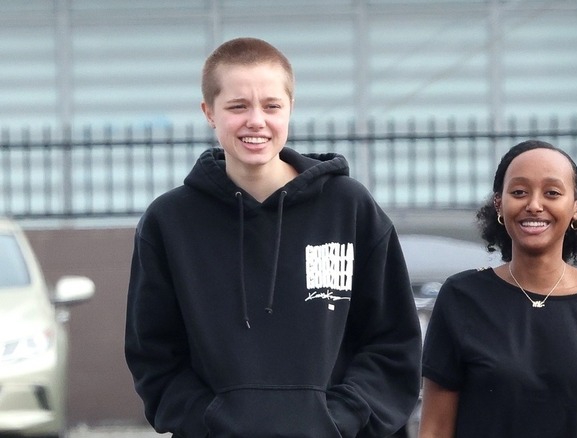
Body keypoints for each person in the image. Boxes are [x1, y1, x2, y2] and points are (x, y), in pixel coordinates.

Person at [124, 37, 421, 438]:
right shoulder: (169, 222)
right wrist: (213, 421)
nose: (256, 121)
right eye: (237, 106)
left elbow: (393, 343)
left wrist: (337, 419)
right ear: (209, 112)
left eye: (271, 106)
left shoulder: (349, 208)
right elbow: (155, 356)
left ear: (290, 108)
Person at [418, 140, 577, 437]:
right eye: (519, 192)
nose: (534, 205)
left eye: (552, 193)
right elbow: (435, 430)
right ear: (499, 204)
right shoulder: (462, 297)